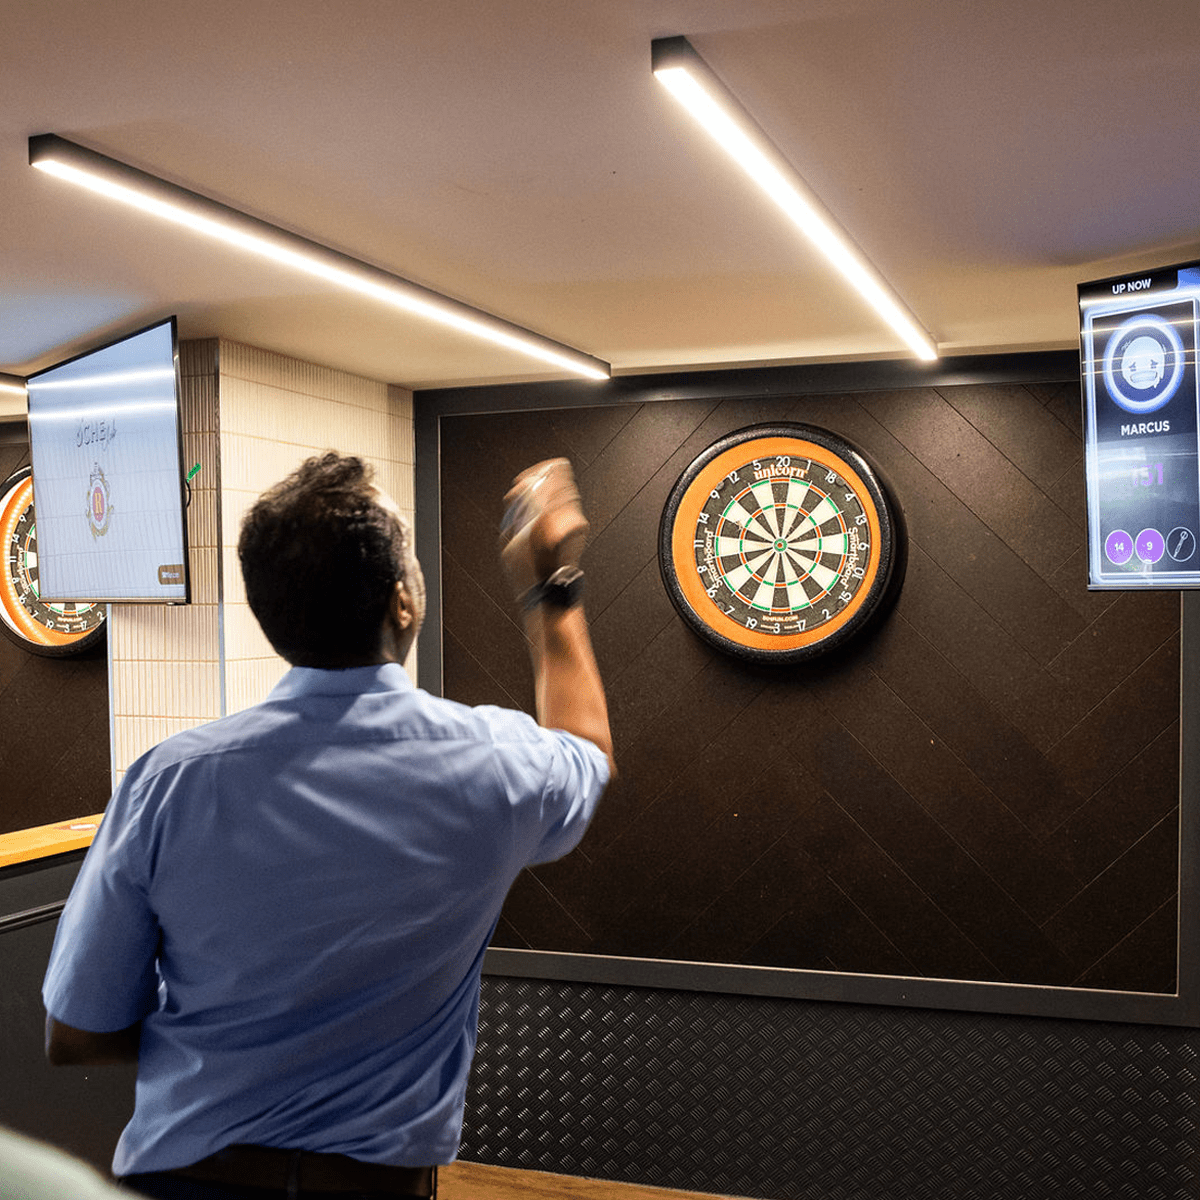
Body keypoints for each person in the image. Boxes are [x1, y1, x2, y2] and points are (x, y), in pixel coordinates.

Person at [41, 453, 613, 1199]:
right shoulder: (496, 767)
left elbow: (79, 1033)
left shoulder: (169, 781)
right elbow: (588, 752)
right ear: (403, 602)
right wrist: (549, 585)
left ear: (272, 615)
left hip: (180, 1179)